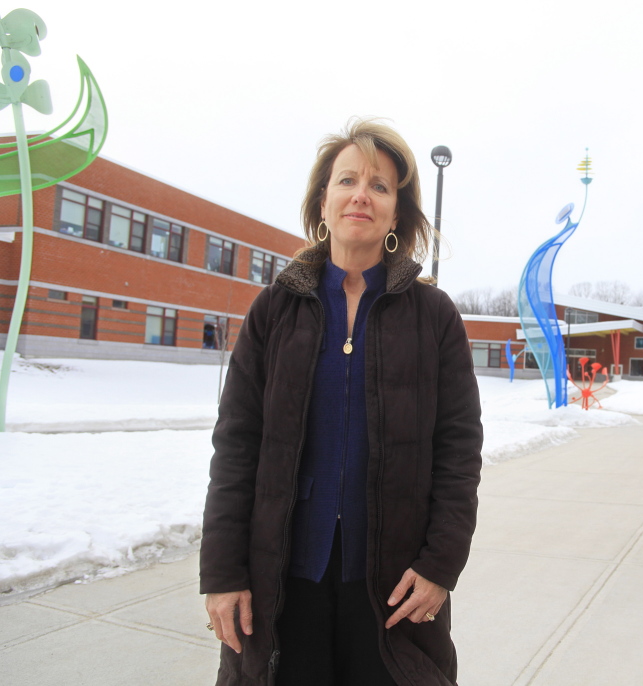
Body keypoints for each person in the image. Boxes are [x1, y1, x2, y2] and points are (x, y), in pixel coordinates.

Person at [199, 118, 484, 686]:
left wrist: (439, 566)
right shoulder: (274, 311)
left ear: (397, 213)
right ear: (322, 202)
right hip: (282, 585)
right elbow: (236, 447)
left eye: (380, 186)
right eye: (347, 180)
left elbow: (459, 452)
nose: (361, 194)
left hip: (394, 591)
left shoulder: (434, 318)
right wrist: (223, 572)